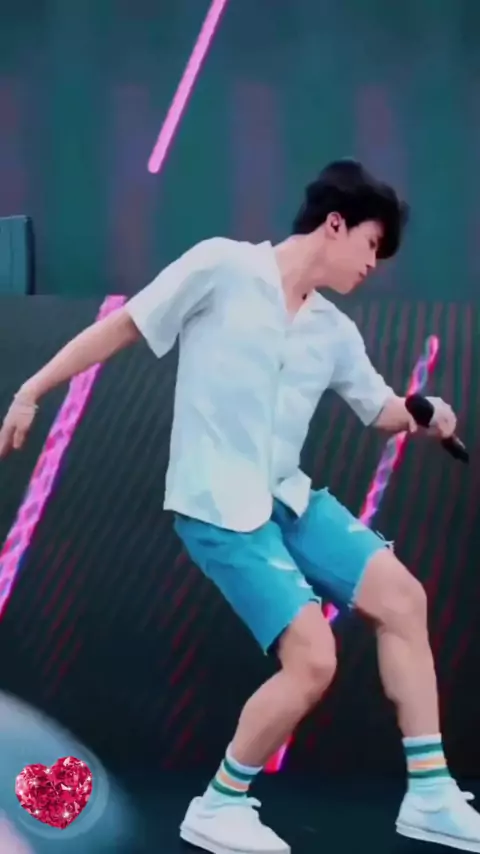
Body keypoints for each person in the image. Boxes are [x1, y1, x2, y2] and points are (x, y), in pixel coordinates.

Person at [0, 159, 477, 854]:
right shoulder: (223, 267)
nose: (373, 264)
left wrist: (423, 412)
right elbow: (125, 326)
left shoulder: (333, 331)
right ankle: (219, 804)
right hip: (218, 507)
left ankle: (431, 796)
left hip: (288, 496)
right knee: (312, 660)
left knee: (402, 599)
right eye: (372, 244)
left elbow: (380, 411)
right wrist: (31, 391)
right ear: (335, 224)